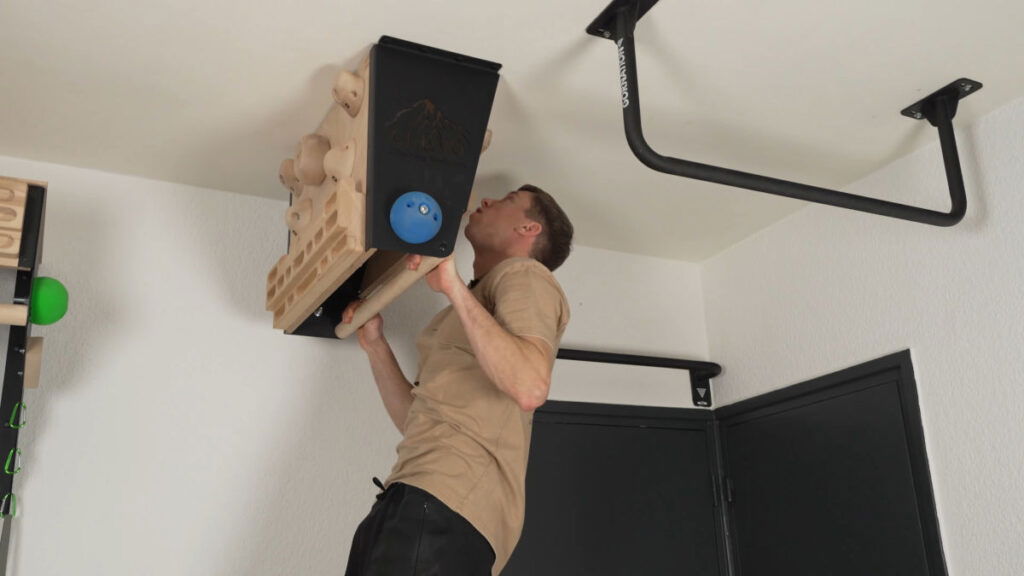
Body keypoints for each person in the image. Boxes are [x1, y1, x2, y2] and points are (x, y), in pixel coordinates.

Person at [341, 184, 574, 575]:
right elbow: (418, 419)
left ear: (529, 229)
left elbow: (530, 386)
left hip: (445, 502)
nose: (486, 201)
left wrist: (450, 286)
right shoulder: (466, 310)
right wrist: (376, 346)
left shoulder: (527, 275)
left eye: (506, 201)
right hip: (412, 494)